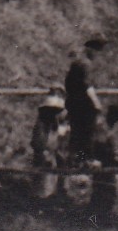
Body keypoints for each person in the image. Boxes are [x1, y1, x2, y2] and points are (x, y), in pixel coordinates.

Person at [64, 35, 106, 166]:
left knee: (76, 132)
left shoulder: (77, 63)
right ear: (91, 50)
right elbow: (87, 86)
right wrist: (97, 103)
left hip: (73, 102)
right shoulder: (86, 64)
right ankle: (86, 159)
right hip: (84, 103)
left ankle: (76, 159)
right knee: (87, 132)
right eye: (97, 50)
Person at [30, 85, 68, 169]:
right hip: (45, 161)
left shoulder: (63, 126)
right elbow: (38, 145)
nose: (53, 114)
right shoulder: (41, 127)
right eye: (50, 110)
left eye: (56, 111)